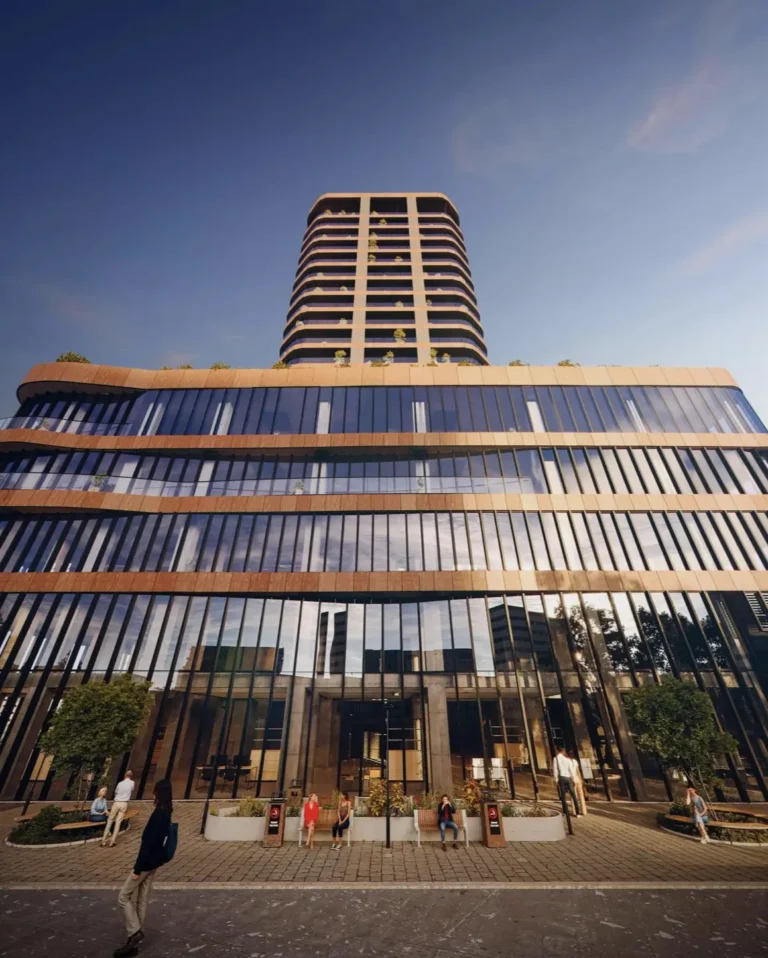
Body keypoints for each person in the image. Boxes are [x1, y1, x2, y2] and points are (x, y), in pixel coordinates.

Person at [114, 779, 174, 958]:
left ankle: (134, 932)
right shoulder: (167, 812)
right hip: (156, 862)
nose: (152, 794)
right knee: (142, 898)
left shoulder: (158, 815)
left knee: (123, 896)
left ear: (158, 793)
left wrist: (137, 869)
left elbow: (147, 844)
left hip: (146, 863)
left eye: (154, 791)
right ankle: (133, 940)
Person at [102, 770, 135, 847]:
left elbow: (116, 792)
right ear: (131, 775)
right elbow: (132, 789)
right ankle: (112, 841)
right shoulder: (132, 783)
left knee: (110, 820)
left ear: (125, 775)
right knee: (118, 822)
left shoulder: (120, 783)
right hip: (124, 803)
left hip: (116, 802)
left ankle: (104, 840)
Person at [553, 747, 580, 817]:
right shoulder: (567, 759)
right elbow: (571, 770)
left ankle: (565, 812)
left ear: (557, 751)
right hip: (569, 777)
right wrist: (573, 779)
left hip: (561, 777)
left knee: (563, 796)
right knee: (573, 795)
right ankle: (577, 812)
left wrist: (556, 779)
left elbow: (555, 770)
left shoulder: (555, 759)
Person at [568, 750, 587, 817]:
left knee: (574, 795)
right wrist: (580, 779)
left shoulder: (568, 762)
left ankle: (575, 811)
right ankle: (583, 810)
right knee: (580, 794)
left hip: (572, 778)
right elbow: (578, 771)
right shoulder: (575, 761)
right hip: (577, 778)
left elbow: (571, 771)